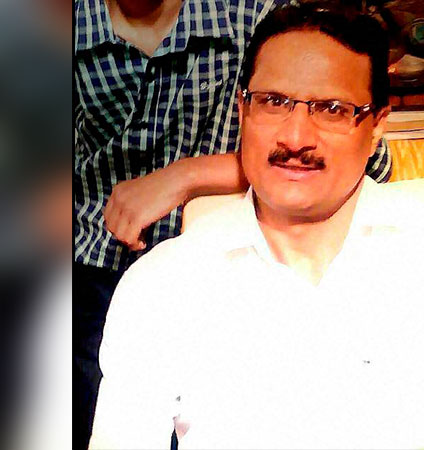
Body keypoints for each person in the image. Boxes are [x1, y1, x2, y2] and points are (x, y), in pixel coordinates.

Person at [90, 2, 424, 449]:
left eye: (333, 109)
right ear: (243, 110)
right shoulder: (164, 283)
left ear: (377, 125)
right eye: (273, 102)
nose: (296, 138)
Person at [74, 0, 391, 448]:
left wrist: (185, 177)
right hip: (93, 256)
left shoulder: (248, 14)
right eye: (274, 102)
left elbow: (360, 158)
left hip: (239, 256)